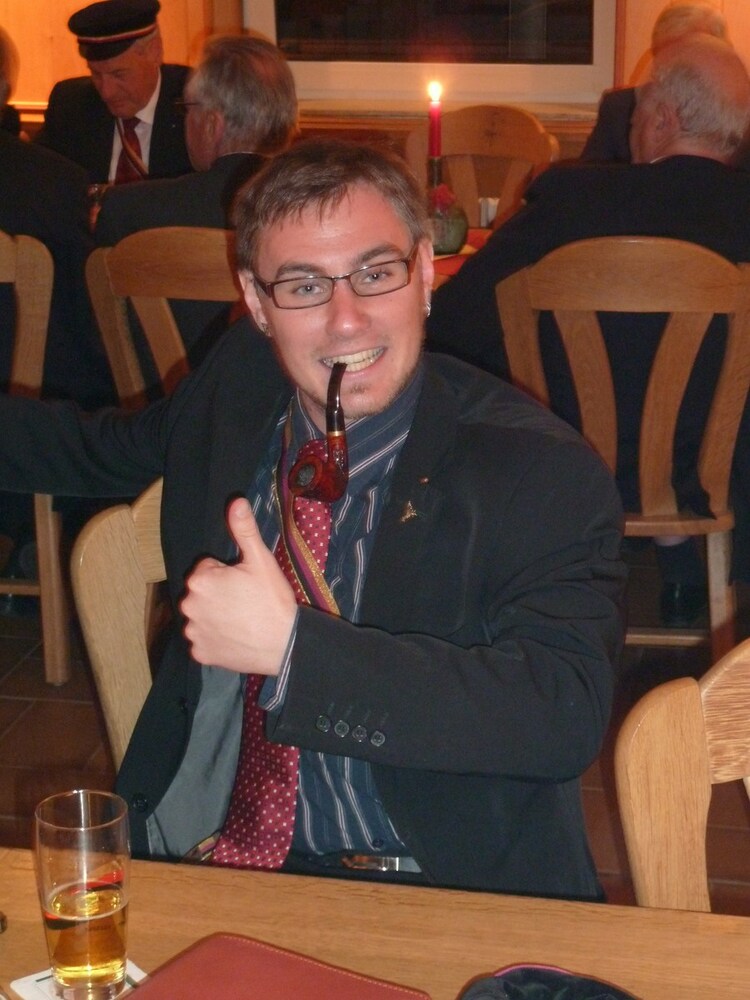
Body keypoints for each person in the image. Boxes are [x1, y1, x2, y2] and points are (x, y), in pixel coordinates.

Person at [0, 139, 624, 900]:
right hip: (220, 862)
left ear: (425, 271)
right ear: (257, 302)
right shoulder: (238, 385)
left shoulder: (537, 470)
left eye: (376, 273)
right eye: (303, 286)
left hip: (441, 887)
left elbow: (561, 713)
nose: (345, 320)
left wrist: (296, 653)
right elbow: (97, 450)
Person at [427, 34, 750, 625]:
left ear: (662, 119)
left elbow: (450, 324)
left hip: (561, 471)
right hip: (714, 482)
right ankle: (687, 580)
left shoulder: (569, 201)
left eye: (638, 110)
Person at [94, 33, 298, 369]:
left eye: (188, 110)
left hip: (160, 400)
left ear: (212, 125)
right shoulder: (318, 215)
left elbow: (98, 345)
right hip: (285, 399)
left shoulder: (126, 212)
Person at [35, 0, 192, 185]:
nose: (106, 92)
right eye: (96, 74)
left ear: (154, 52)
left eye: (119, 74)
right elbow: (41, 183)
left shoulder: (195, 104)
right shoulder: (70, 106)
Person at [581, 1, 728, 164]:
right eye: (667, 52)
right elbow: (591, 174)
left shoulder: (735, 113)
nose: (677, 63)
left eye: (691, 52)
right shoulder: (620, 108)